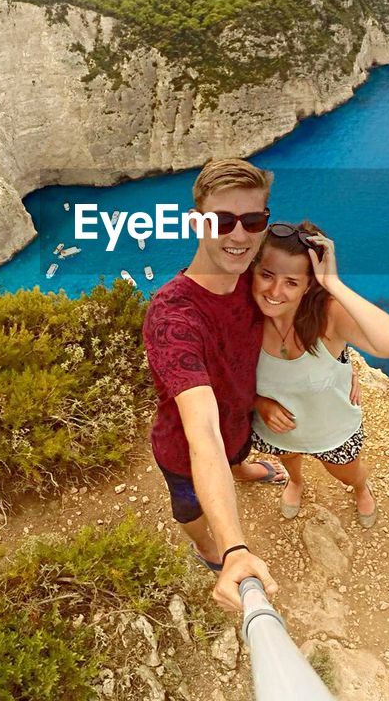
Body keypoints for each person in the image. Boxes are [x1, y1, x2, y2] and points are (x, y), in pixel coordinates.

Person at [144, 158, 290, 611]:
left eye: (253, 220)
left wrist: (345, 366)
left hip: (239, 424)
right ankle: (206, 548)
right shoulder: (173, 316)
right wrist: (234, 549)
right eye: (221, 220)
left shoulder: (256, 282)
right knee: (188, 507)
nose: (239, 235)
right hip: (184, 450)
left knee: (236, 452)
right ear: (195, 223)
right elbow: (200, 431)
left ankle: (240, 468)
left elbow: (307, 310)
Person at [249, 220, 389, 526]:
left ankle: (361, 488)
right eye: (267, 275)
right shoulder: (243, 316)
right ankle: (295, 482)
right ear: (253, 271)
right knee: (289, 458)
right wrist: (258, 402)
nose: (274, 291)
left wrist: (333, 284)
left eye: (291, 282)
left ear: (309, 285)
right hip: (277, 429)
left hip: (331, 430)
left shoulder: (327, 318)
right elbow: (224, 374)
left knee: (348, 472)